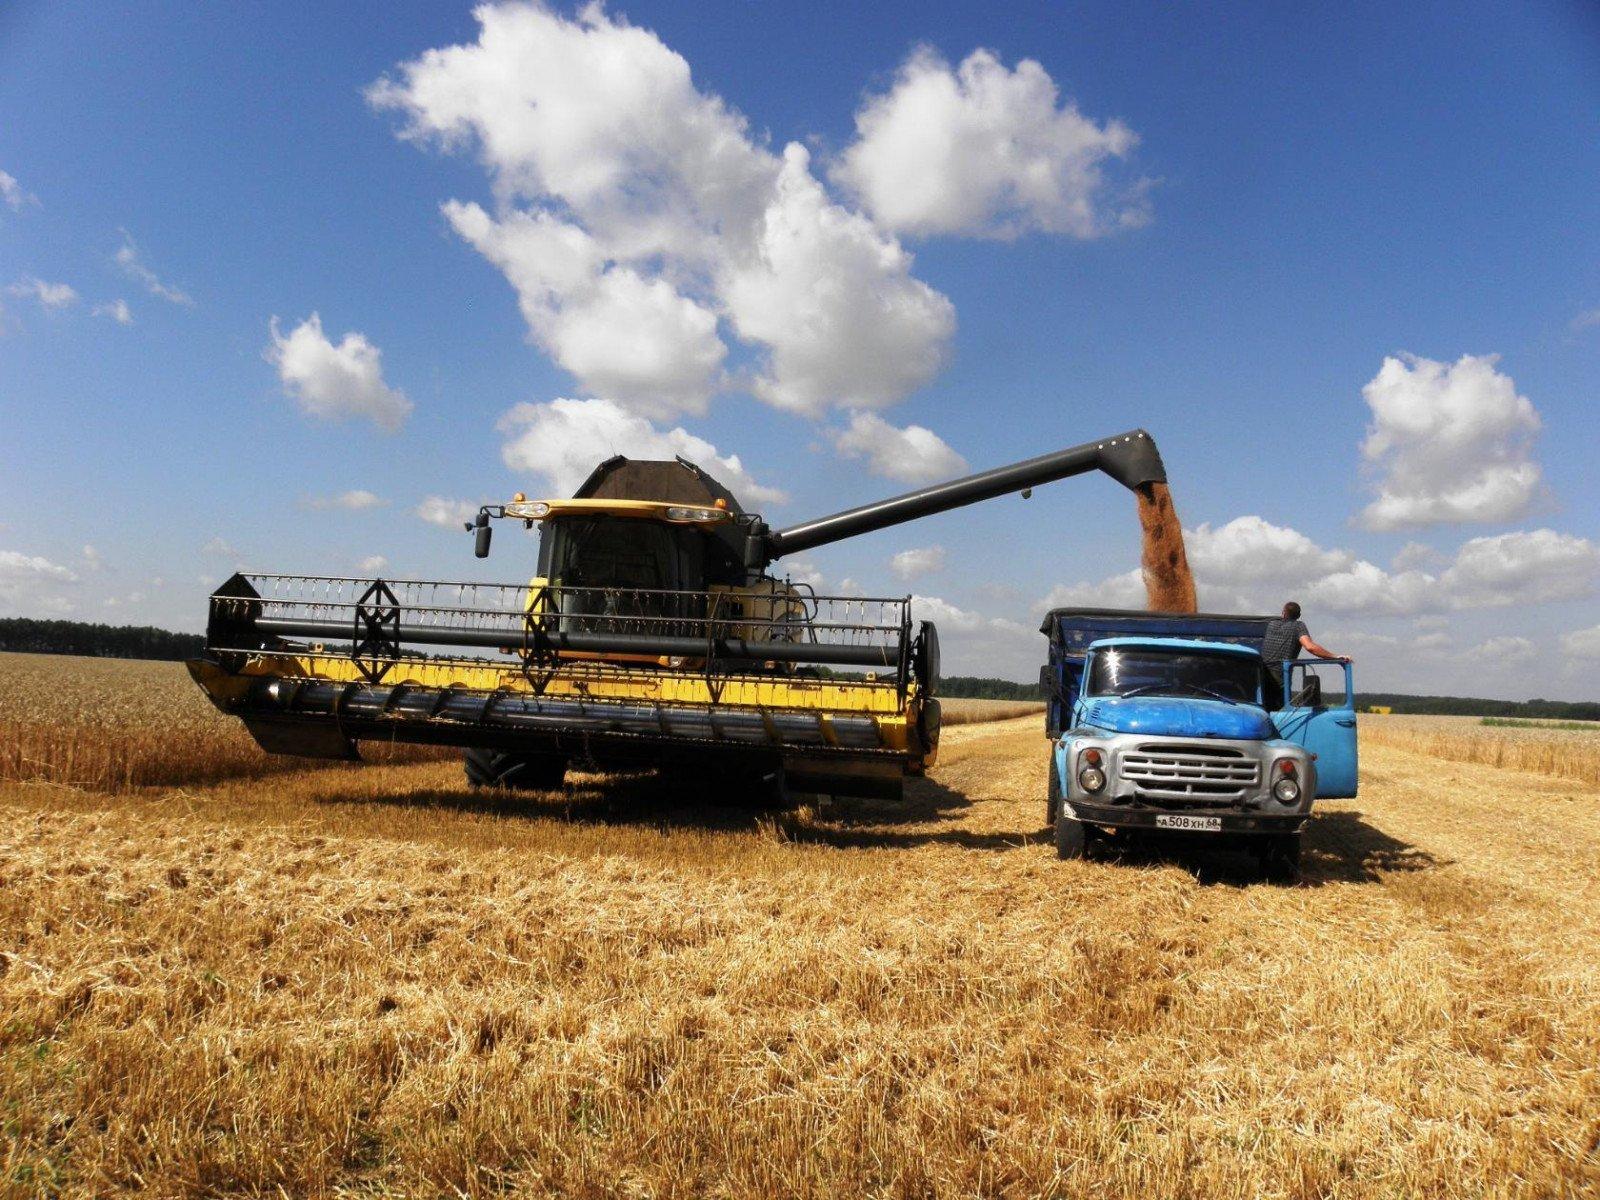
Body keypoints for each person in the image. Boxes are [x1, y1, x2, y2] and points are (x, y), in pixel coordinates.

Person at [1261, 601, 1349, 708]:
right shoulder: (1298, 626)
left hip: (1261, 673)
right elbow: (1310, 647)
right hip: (1280, 676)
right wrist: (1335, 656)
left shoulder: (1271, 624)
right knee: (1281, 710)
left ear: (1283, 613)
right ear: (1299, 616)